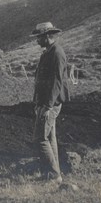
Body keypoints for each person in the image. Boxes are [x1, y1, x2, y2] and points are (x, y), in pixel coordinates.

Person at [30, 22, 70, 184]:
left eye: (39, 37)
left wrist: (47, 106)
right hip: (45, 103)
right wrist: (38, 102)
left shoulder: (57, 53)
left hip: (50, 104)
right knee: (49, 137)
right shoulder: (48, 52)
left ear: (47, 36)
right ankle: (53, 174)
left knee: (40, 138)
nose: (37, 40)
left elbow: (56, 82)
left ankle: (53, 175)